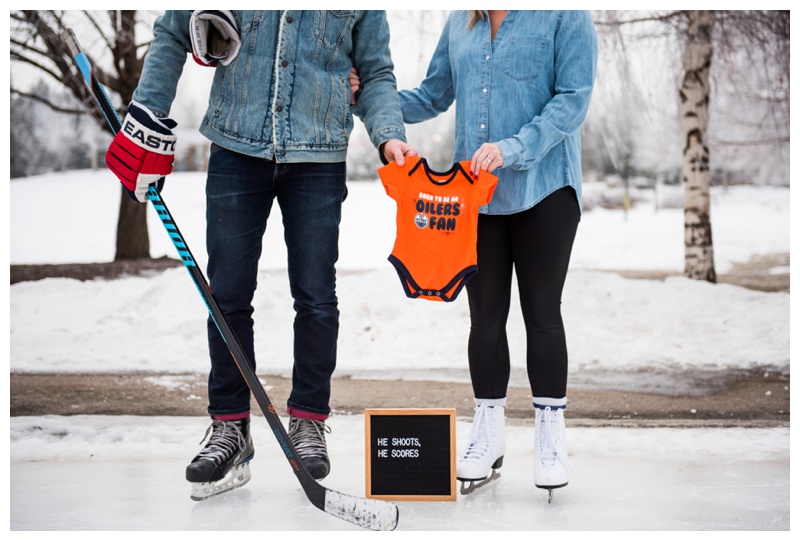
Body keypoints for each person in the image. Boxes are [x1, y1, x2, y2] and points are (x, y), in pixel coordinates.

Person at [104, 10, 416, 500]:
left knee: (316, 297)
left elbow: (375, 71)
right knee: (226, 297)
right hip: (235, 147)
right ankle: (230, 429)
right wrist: (145, 116)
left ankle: (309, 422)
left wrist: (388, 133)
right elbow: (171, 31)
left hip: (319, 154)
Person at [394, 10, 597, 498]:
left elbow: (573, 100)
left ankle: (550, 439)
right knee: (484, 317)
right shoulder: (461, 20)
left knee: (543, 313)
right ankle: (488, 435)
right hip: (477, 197)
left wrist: (512, 147)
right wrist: (370, 99)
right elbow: (432, 95)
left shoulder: (564, 15)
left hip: (544, 187)